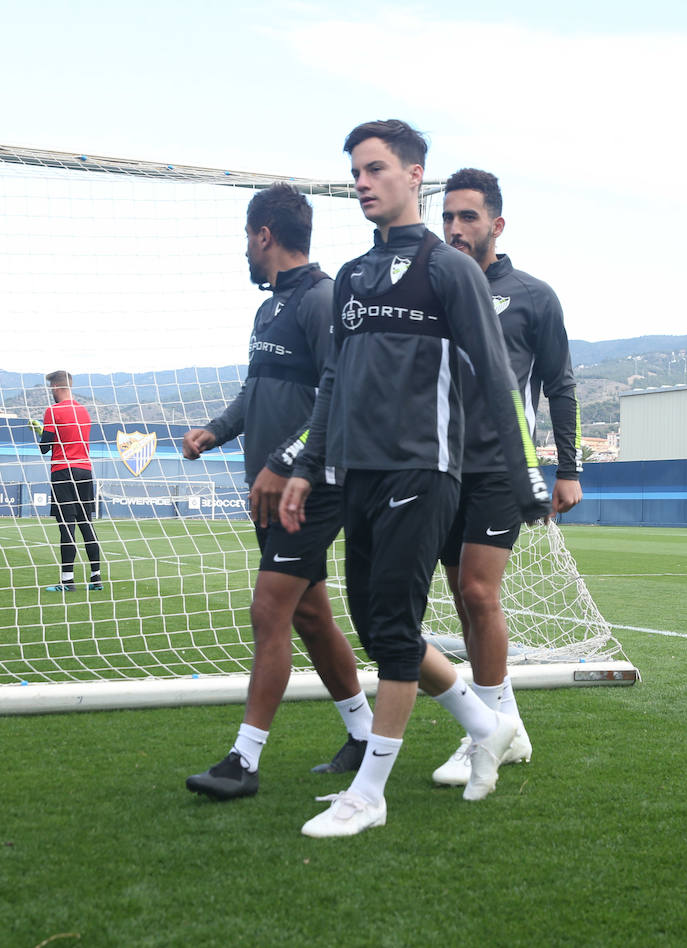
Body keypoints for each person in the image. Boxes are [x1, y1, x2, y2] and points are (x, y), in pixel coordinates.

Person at [277, 119, 550, 838]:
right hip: (356, 472)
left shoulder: (448, 270)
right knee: (374, 622)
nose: (362, 183)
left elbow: (496, 379)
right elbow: (333, 378)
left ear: (413, 175)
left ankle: (370, 793)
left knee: (394, 626)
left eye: (374, 169)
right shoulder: (354, 278)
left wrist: (528, 482)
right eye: (356, 173)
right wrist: (309, 468)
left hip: (424, 470)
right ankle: (482, 723)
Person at [183, 183, 373, 801]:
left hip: (308, 487)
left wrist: (287, 462)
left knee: (270, 611)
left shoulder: (321, 301)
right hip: (272, 490)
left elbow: (338, 396)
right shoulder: (269, 310)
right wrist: (215, 430)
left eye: (246, 236)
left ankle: (243, 761)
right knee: (312, 616)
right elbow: (257, 392)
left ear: (264, 233)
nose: (244, 249)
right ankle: (365, 734)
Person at [430, 168, 582, 788]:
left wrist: (568, 468)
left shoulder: (532, 295)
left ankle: (486, 733)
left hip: (501, 467)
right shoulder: (434, 287)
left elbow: (560, 383)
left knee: (478, 593)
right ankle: (503, 728)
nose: (455, 228)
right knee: (462, 600)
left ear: (496, 224)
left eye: (468, 217)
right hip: (440, 466)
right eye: (447, 217)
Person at [33, 370, 102, 593]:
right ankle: (96, 578)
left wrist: (39, 431)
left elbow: (45, 447)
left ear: (55, 387)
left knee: (67, 526)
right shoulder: (84, 412)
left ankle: (67, 581)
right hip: (85, 471)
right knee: (86, 523)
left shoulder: (53, 411)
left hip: (63, 471)